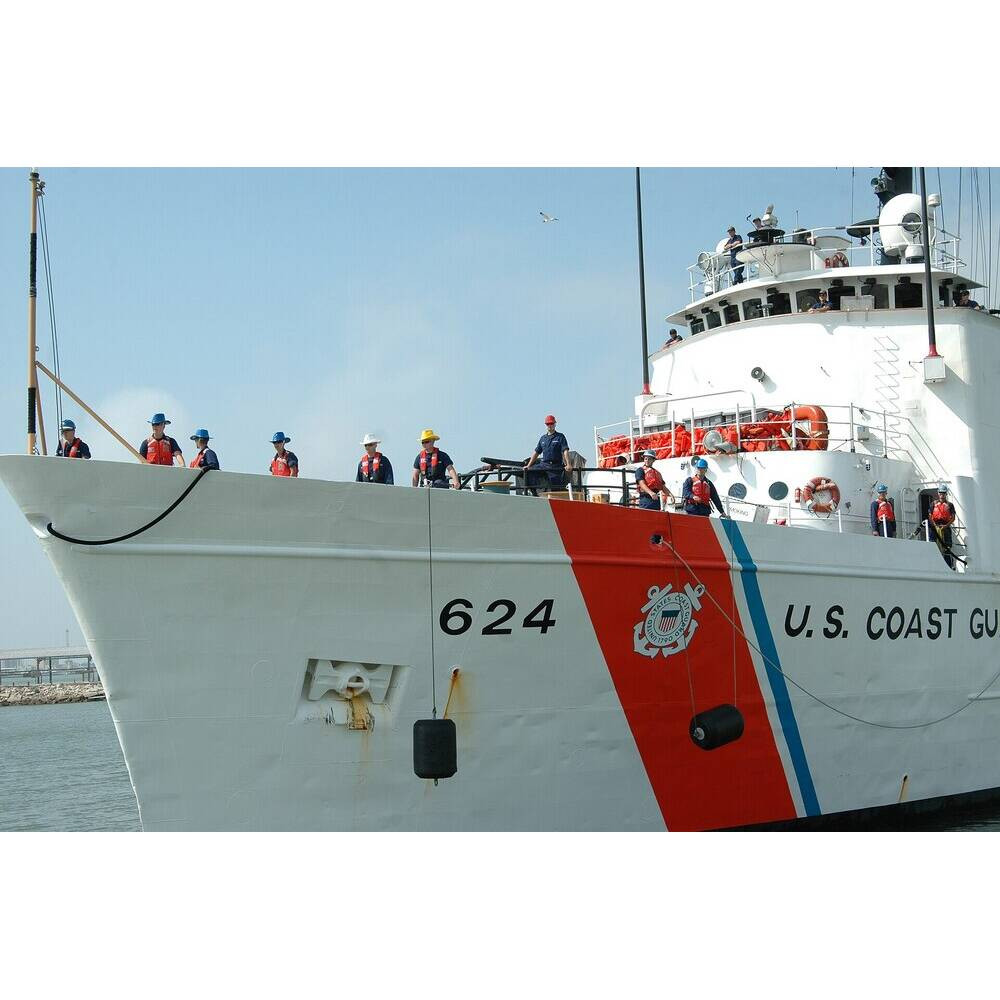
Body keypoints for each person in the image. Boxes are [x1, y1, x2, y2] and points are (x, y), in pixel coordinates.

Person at [524, 414, 572, 491]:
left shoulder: (560, 437)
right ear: (546, 425)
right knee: (529, 472)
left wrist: (568, 464)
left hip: (555, 466)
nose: (550, 425)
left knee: (556, 488)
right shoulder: (543, 438)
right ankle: (534, 492)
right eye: (548, 424)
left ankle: (555, 494)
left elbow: (565, 451)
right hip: (544, 465)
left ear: (555, 424)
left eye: (551, 423)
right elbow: (536, 452)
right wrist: (528, 466)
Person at [927, 484, 957, 568]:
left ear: (946, 494)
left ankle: (948, 565)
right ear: (938, 493)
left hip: (945, 527)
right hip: (935, 527)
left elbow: (953, 518)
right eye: (940, 493)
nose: (942, 495)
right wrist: (934, 525)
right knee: (932, 544)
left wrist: (946, 526)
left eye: (943, 493)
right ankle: (933, 564)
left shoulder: (950, 505)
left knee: (947, 546)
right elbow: (930, 515)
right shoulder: (933, 504)